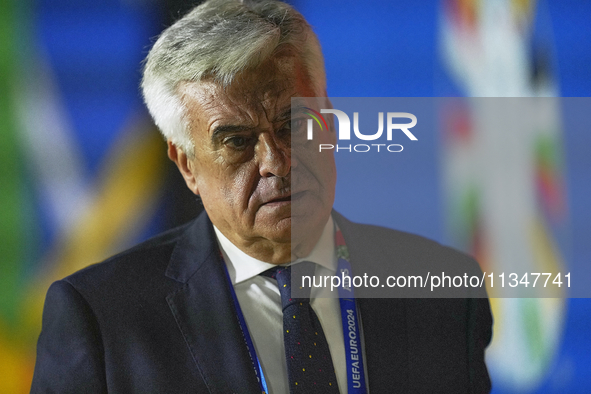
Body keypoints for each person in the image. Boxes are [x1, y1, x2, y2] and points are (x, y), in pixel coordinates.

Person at [31, 0, 493, 393]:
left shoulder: (446, 291)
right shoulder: (102, 319)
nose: (275, 161)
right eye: (235, 141)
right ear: (187, 165)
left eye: (293, 125)